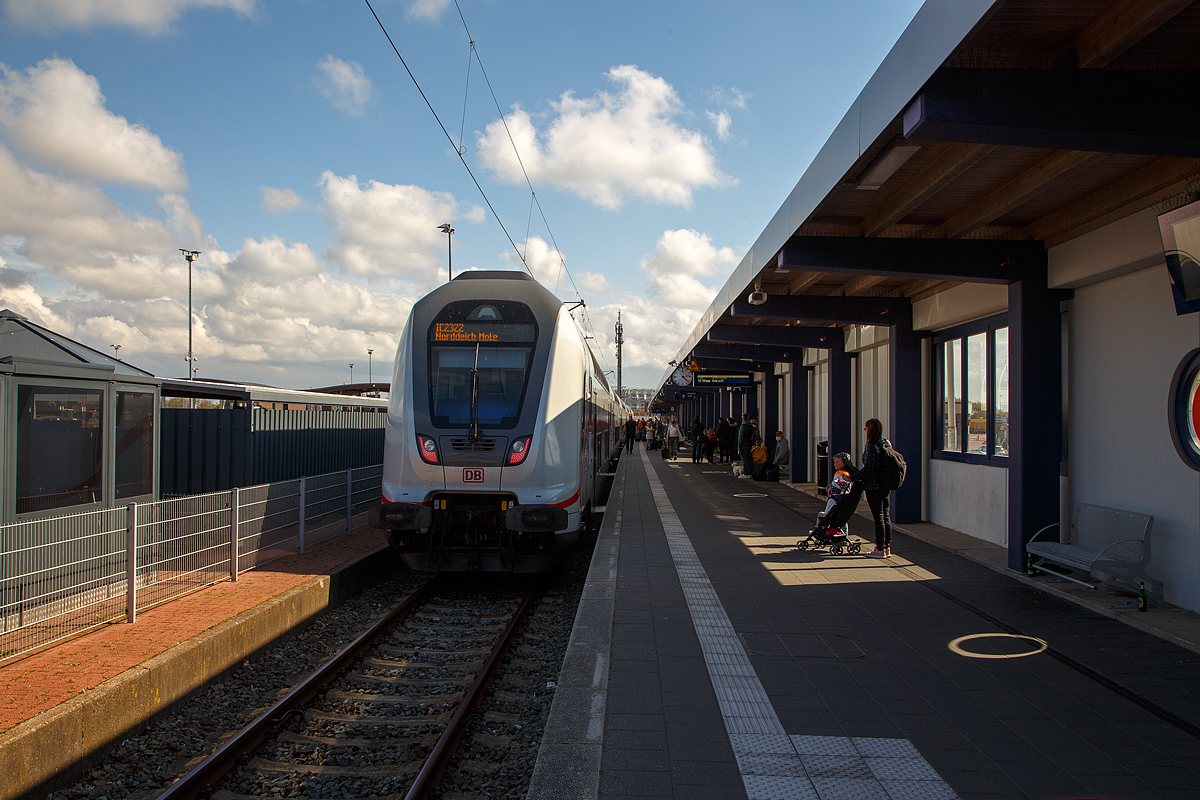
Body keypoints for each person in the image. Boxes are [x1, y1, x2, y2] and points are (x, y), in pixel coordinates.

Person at [857, 418, 894, 558]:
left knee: (878, 517)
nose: (865, 431)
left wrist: (854, 477)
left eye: (866, 428)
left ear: (870, 429)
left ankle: (879, 548)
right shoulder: (886, 443)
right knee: (885, 516)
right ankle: (886, 547)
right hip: (885, 484)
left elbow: (868, 469)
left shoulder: (871, 446)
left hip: (874, 486)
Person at [736, 413, 754, 478]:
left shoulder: (743, 426)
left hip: (744, 445)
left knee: (744, 460)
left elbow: (740, 437)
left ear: (743, 418)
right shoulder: (751, 426)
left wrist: (738, 446)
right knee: (749, 459)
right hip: (749, 444)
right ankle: (749, 473)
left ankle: (745, 473)